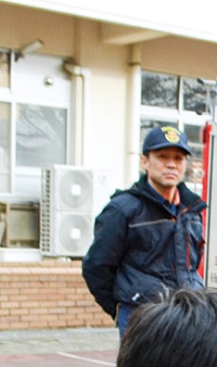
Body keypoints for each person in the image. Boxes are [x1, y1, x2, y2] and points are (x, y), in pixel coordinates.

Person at [83, 125, 207, 335]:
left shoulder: (192, 209)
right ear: (145, 162)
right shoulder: (123, 209)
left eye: (178, 158)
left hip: (188, 316)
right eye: (162, 157)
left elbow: (193, 263)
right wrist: (122, 306)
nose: (171, 165)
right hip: (144, 318)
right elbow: (97, 267)